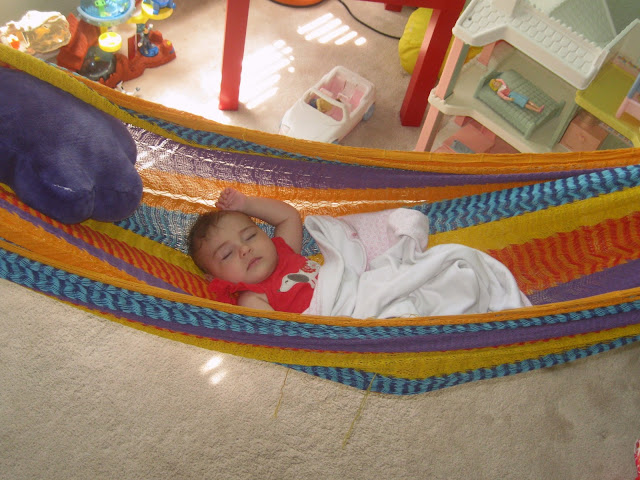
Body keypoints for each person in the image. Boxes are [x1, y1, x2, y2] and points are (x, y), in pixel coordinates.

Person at [188, 187, 319, 312]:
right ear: (214, 279)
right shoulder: (251, 300)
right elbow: (280, 328)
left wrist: (246, 204)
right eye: (227, 254)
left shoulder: (284, 250)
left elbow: (289, 216)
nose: (245, 249)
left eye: (250, 236)